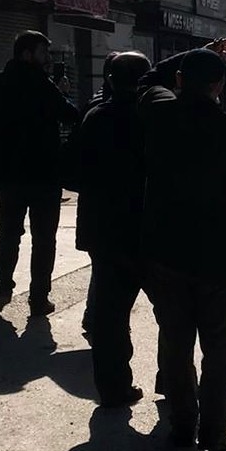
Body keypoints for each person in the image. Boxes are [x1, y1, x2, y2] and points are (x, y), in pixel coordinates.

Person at [142, 49, 226, 451]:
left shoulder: (157, 119)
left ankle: (182, 425)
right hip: (222, 261)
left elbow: (149, 77)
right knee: (219, 351)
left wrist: (183, 61)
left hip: (167, 255)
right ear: (219, 86)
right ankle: (215, 432)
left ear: (180, 81)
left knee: (174, 342)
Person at [71, 52, 154, 407]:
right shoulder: (154, 118)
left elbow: (69, 172)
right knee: (172, 312)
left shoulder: (95, 119)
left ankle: (113, 387)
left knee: (109, 316)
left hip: (106, 233)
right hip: (151, 230)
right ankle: (175, 380)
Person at [0, 30, 80, 315]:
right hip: (43, 175)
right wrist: (59, 91)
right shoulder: (43, 86)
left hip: (10, 173)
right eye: (43, 53)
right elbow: (70, 115)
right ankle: (39, 297)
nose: (47, 59)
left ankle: (2, 287)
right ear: (27, 54)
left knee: (8, 232)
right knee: (43, 238)